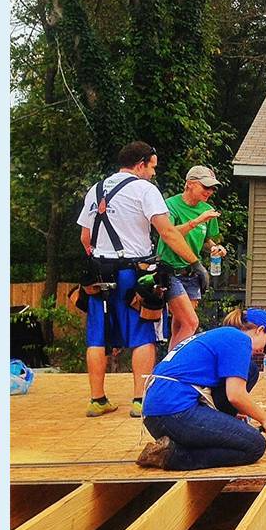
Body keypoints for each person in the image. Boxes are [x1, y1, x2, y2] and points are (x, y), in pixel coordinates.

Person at [77, 141, 205, 418]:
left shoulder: (95, 190)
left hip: (98, 274)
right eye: (152, 167)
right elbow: (168, 233)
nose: (153, 173)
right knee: (142, 333)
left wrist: (102, 257)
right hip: (133, 274)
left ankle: (97, 400)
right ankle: (140, 400)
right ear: (141, 164)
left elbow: (85, 238)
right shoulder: (145, 190)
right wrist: (196, 263)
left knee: (97, 337)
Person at [136, 307, 266, 470]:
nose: (262, 352)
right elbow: (235, 395)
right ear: (260, 330)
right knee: (254, 445)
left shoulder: (220, 335)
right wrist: (265, 419)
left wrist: (229, 420)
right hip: (175, 413)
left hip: (156, 416)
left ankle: (186, 441)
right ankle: (173, 456)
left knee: (250, 369)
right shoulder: (240, 339)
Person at [157, 165, 227, 350]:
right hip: (171, 270)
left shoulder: (207, 210)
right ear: (189, 184)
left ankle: (170, 368)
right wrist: (196, 221)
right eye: (205, 187)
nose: (210, 192)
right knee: (191, 322)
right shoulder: (170, 205)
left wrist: (215, 248)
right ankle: (174, 366)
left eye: (212, 188)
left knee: (180, 324)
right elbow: (169, 233)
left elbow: (206, 239)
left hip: (192, 273)